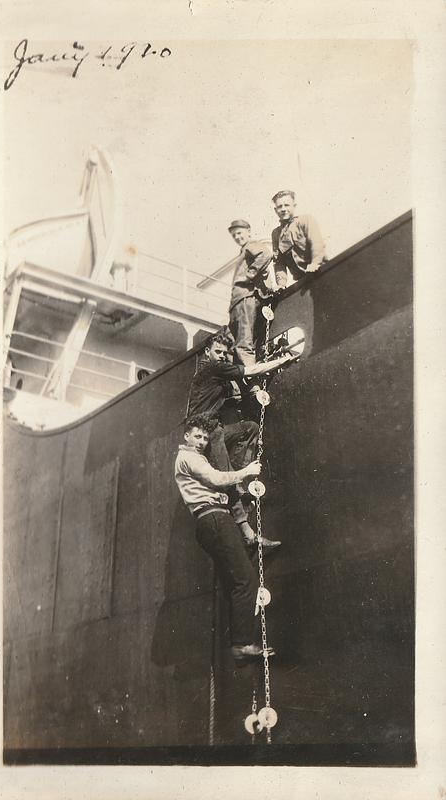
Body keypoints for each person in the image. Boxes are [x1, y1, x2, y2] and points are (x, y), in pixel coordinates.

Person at [174, 414, 276, 663]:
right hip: (215, 519)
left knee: (237, 579)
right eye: (197, 436)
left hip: (211, 522)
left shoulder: (192, 457)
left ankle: (240, 642)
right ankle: (241, 644)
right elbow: (216, 479)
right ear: (186, 436)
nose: (201, 441)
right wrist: (247, 471)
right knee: (246, 580)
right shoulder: (189, 458)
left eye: (205, 438)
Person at [187, 332, 293, 551]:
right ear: (207, 353)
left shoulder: (215, 373)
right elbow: (250, 370)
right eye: (218, 352)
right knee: (228, 480)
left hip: (214, 429)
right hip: (205, 433)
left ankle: (238, 479)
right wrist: (280, 361)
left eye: (226, 353)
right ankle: (248, 534)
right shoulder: (212, 368)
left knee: (250, 429)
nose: (223, 356)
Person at [227, 219, 274, 367]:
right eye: (234, 235)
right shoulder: (244, 250)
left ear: (248, 231)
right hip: (238, 301)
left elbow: (265, 254)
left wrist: (249, 275)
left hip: (244, 298)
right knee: (239, 342)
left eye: (239, 233)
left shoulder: (250, 245)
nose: (237, 237)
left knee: (243, 343)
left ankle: (251, 383)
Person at [271, 190, 326, 289]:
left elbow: (316, 243)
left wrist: (315, 263)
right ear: (275, 210)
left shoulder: (305, 220)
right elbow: (279, 262)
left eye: (287, 205)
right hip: (302, 281)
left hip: (321, 271)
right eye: (280, 206)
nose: (283, 209)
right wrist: (281, 283)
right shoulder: (276, 234)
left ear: (294, 206)